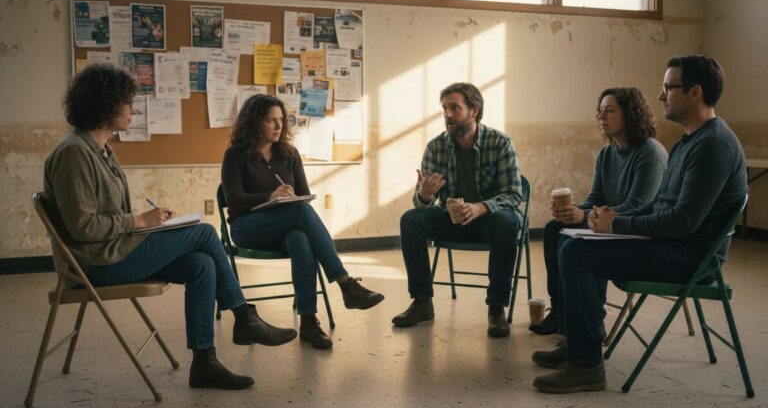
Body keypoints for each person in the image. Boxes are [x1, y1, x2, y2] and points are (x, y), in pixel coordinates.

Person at [44, 65, 298, 391]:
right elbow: (82, 227)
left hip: (114, 249)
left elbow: (100, 217)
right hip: (95, 264)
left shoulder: (102, 151)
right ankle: (244, 318)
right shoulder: (74, 154)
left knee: (201, 264)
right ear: (105, 106)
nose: (132, 109)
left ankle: (204, 363)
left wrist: (147, 221)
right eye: (127, 102)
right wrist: (138, 221)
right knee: (205, 233)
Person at [532, 55, 747, 393]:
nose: (661, 96)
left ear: (694, 92)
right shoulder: (690, 140)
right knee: (569, 241)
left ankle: (585, 365)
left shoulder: (713, 145)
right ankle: (578, 345)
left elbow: (683, 221)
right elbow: (662, 207)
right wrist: (612, 221)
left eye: (668, 88)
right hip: (671, 244)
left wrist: (617, 225)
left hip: (690, 257)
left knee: (576, 253)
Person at [221, 94, 385, 350]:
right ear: (254, 123)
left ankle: (308, 321)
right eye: (270, 120)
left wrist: (288, 199)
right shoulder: (235, 155)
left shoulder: (290, 154)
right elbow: (234, 200)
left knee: (300, 238)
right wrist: (270, 196)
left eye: (280, 120)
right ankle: (345, 283)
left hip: (283, 225)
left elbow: (303, 195)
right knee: (300, 214)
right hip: (247, 228)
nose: (278, 126)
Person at [531, 87, 668, 336]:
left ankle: (593, 321)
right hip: (608, 224)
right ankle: (561, 312)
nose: (601, 117)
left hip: (637, 232)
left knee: (575, 245)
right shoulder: (606, 154)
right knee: (554, 228)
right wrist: (572, 211)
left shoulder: (650, 152)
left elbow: (637, 207)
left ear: (630, 114)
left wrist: (584, 217)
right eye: (600, 111)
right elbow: (595, 199)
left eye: (610, 111)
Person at [392, 82, 523, 338]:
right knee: (410, 220)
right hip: (453, 220)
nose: (447, 115)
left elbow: (513, 194)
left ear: (474, 110)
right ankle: (422, 302)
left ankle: (496, 309)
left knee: (506, 222)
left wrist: (481, 207)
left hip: (490, 221)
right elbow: (421, 204)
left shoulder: (500, 143)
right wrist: (425, 195)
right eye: (444, 109)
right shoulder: (436, 147)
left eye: (455, 108)